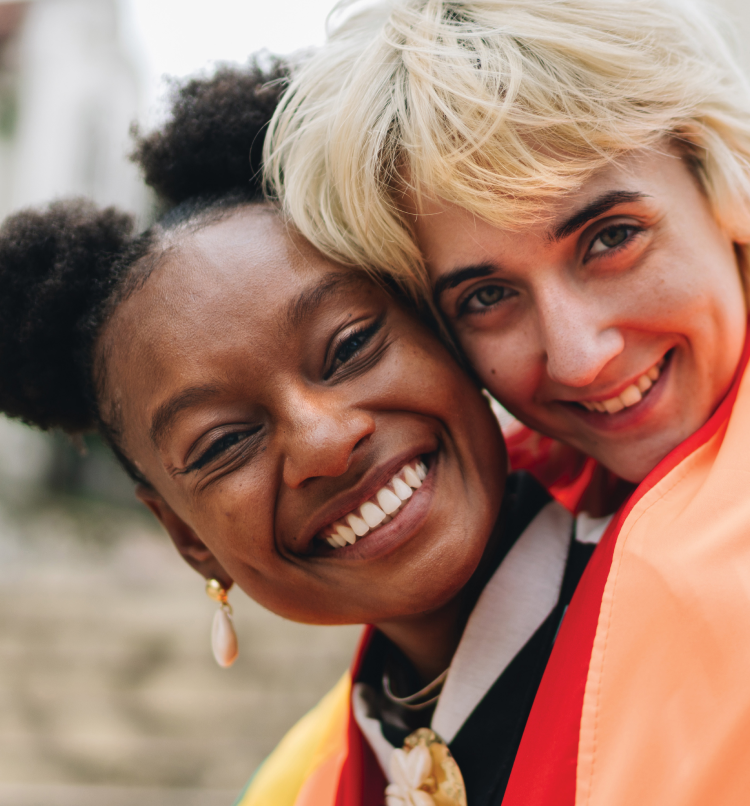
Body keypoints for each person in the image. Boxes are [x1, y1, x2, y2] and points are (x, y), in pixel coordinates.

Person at [0, 63, 613, 806]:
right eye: (224, 442)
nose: (325, 441)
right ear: (188, 538)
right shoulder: (310, 782)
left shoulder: (726, 597)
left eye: (351, 346)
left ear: (446, 333)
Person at [266, 1, 750, 803]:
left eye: (611, 237)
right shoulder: (504, 531)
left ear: (729, 178)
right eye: (487, 296)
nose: (581, 357)